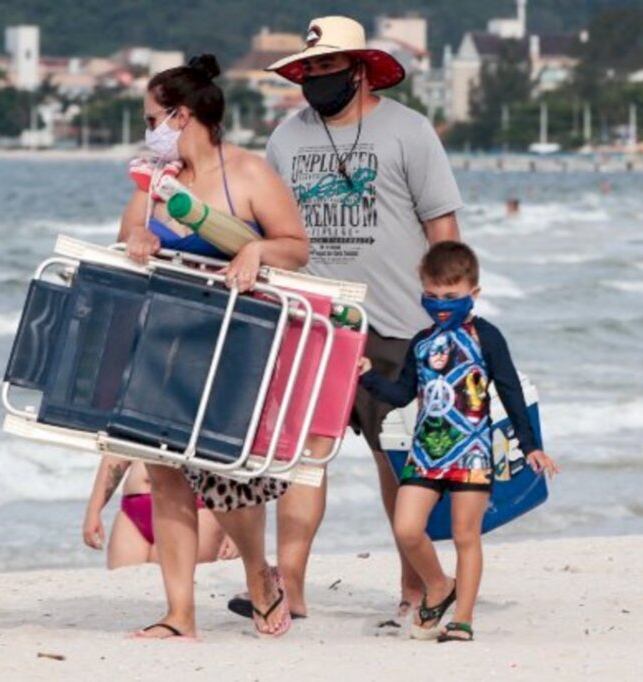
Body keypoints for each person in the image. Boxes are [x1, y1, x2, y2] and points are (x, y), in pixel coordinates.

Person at [240, 16, 464, 623]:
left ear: (359, 69)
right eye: (308, 67)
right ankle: (291, 588)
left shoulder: (409, 131)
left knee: (396, 459)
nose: (315, 77)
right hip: (312, 319)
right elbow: (268, 227)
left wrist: (451, 312)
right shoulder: (287, 137)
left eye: (326, 67)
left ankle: (415, 589)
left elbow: (441, 226)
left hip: (398, 321)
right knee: (304, 459)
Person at [118, 54, 310, 640]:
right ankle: (180, 615)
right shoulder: (155, 180)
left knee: (227, 483)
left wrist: (255, 250)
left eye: (153, 117)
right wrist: (142, 236)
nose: (147, 130)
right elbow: (127, 235)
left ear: (181, 115)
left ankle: (259, 573)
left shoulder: (247, 173)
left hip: (231, 343)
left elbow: (296, 247)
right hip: (163, 340)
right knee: (166, 475)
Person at [357, 241, 560, 641]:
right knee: (408, 529)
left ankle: (462, 618)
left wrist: (530, 444)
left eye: (450, 296)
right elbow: (402, 395)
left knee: (466, 536)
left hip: (472, 455)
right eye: (431, 296)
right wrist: (366, 375)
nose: (440, 304)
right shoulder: (420, 342)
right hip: (426, 454)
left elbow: (509, 391)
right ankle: (439, 585)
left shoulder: (487, 337)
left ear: (474, 294)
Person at [82, 457, 238, 568]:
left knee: (172, 591)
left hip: (192, 507)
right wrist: (94, 510)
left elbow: (232, 453)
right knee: (123, 587)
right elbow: (115, 453)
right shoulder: (138, 408)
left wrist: (236, 530)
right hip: (134, 509)